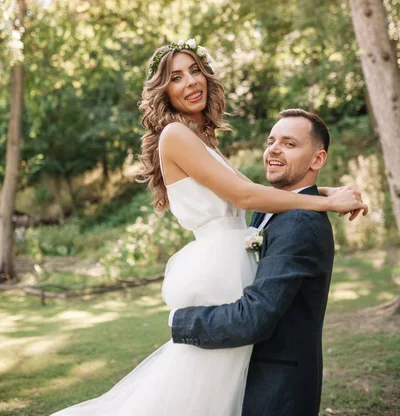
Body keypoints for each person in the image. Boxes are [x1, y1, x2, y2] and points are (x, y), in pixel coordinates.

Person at [50, 40, 367, 416]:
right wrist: (326, 203)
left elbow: (253, 192)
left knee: (219, 385)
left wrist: (321, 188)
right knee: (201, 385)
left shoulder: (203, 140)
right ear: (163, 91)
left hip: (233, 259)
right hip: (220, 264)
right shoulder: (175, 135)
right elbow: (246, 196)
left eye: (195, 70)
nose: (190, 82)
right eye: (176, 77)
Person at [170, 108, 347, 415]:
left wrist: (181, 321)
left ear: (317, 159)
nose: (274, 149)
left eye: (289, 144)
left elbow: (254, 317)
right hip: (248, 377)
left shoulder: (299, 224)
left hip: (277, 389)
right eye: (271, 141)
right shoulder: (269, 211)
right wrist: (326, 193)